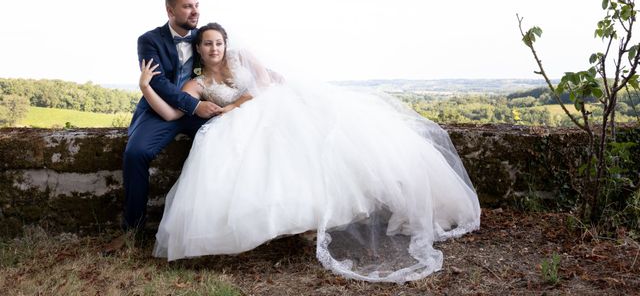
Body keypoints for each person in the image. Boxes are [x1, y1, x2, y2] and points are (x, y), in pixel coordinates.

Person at [139, 22, 481, 283]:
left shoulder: (241, 63)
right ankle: (289, 222)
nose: (214, 48)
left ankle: (316, 218)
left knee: (312, 138)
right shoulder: (196, 84)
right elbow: (172, 114)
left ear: (225, 44)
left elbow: (266, 84)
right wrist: (145, 87)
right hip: (234, 128)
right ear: (198, 49)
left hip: (265, 111)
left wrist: (242, 102)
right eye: (207, 44)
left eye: (218, 42)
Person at [122, 0, 221, 232]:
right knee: (135, 153)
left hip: (199, 109)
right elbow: (157, 82)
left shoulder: (203, 37)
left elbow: (225, 56)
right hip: (159, 110)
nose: (195, 11)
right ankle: (133, 230)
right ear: (170, 10)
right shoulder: (149, 40)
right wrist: (194, 105)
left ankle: (218, 226)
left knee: (229, 141)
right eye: (187, 6)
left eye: (196, 5)